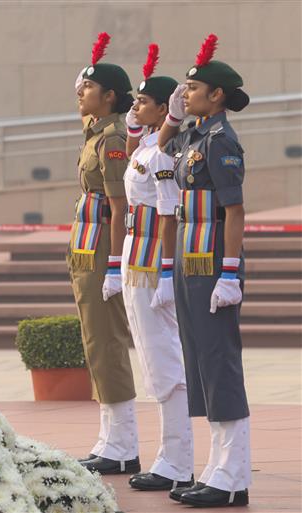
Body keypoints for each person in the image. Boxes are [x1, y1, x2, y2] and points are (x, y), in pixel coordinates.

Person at [157, 34, 251, 508]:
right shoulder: (192, 135)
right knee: (199, 366)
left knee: (220, 365)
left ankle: (232, 475)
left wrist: (230, 274)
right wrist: (171, 120)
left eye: (193, 88)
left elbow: (234, 212)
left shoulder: (221, 140)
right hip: (190, 263)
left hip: (214, 261)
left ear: (217, 96)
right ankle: (217, 468)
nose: (185, 91)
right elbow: (156, 158)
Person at [120, 43, 195, 493]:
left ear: (165, 109)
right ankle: (171, 457)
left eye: (143, 101)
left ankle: (177, 460)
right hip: (136, 255)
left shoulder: (164, 153)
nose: (135, 107)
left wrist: (166, 272)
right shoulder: (151, 143)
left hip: (152, 260)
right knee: (153, 360)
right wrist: (144, 119)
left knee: (163, 362)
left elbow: (168, 211)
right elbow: (135, 144)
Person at [69, 32, 139, 475]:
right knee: (93, 341)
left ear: (110, 97)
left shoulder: (114, 138)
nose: (80, 94)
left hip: (102, 248)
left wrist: (114, 262)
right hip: (86, 245)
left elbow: (120, 206)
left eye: (89, 89)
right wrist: (85, 77)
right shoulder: (97, 132)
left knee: (106, 340)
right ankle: (110, 438)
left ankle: (123, 443)